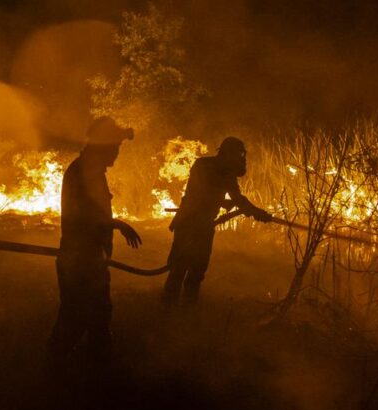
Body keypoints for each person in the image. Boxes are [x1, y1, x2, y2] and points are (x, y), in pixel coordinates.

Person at [49, 117, 142, 365]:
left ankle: (97, 364)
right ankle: (55, 369)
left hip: (91, 258)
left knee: (99, 314)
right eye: (116, 146)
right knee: (75, 317)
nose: (117, 153)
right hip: (79, 261)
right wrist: (117, 224)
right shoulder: (82, 173)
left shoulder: (90, 171)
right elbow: (83, 218)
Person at [163, 137, 272, 304]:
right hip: (188, 223)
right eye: (237, 154)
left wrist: (257, 212)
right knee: (179, 268)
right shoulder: (203, 166)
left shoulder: (227, 174)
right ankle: (167, 308)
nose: (240, 158)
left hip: (205, 225)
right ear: (226, 153)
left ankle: (188, 309)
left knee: (198, 269)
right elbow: (203, 193)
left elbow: (237, 198)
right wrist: (231, 203)